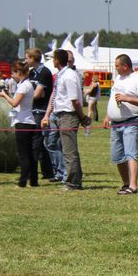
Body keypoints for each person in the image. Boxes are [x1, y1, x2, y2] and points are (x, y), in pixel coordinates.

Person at [41, 49, 89, 190]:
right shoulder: (63, 75)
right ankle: (75, 180)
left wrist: (82, 117)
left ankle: (73, 182)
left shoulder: (68, 76)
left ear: (57, 60)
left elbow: (75, 100)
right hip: (62, 114)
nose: (52, 61)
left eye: (53, 58)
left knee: (69, 151)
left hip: (68, 115)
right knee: (68, 150)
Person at [103, 54, 138, 195]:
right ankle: (125, 184)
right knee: (117, 155)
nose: (115, 69)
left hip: (131, 121)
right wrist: (108, 115)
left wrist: (127, 98)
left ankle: (133, 186)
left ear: (125, 66)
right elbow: (113, 98)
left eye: (117, 66)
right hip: (115, 123)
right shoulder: (117, 78)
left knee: (131, 154)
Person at [0, 60, 38, 187]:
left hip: (23, 122)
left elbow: (15, 103)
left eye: (13, 73)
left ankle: (23, 181)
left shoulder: (24, 86)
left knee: (23, 154)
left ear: (19, 72)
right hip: (27, 121)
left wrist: (4, 95)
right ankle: (33, 180)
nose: (12, 76)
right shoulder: (26, 84)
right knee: (30, 154)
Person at [24, 48, 55, 180]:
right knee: (41, 144)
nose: (25, 60)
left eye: (27, 58)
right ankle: (48, 172)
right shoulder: (32, 73)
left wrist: (24, 98)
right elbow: (34, 92)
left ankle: (33, 173)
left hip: (41, 111)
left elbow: (38, 94)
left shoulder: (44, 72)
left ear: (33, 58)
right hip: (33, 109)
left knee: (36, 143)